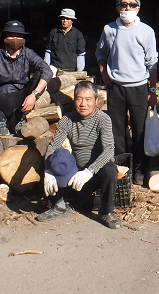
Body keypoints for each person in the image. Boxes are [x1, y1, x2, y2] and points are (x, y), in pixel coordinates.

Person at [96, 0, 158, 185]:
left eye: (132, 5)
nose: (128, 8)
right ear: (117, 8)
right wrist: (103, 71)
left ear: (138, 8)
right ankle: (121, 167)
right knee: (117, 129)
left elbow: (152, 63)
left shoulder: (146, 31)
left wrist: (152, 90)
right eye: (124, 5)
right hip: (116, 87)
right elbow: (100, 52)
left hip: (139, 86)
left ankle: (140, 167)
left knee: (140, 129)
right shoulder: (109, 30)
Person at [38, 81, 121, 229]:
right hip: (75, 173)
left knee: (110, 167)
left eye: (88, 99)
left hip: (94, 172)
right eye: (79, 99)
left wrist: (90, 171)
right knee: (49, 159)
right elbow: (53, 147)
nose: (83, 104)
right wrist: (48, 170)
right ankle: (59, 205)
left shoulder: (103, 119)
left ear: (96, 101)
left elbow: (109, 149)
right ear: (74, 99)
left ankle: (106, 211)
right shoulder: (67, 120)